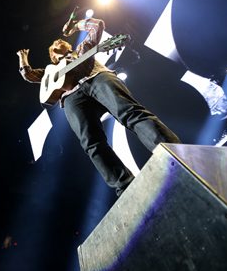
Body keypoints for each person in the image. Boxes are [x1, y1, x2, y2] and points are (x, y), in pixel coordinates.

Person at [16, 15, 181, 196]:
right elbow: (29, 75)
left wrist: (75, 26)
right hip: (71, 98)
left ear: (68, 47)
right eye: (54, 48)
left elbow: (97, 26)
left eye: (61, 43)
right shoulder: (50, 72)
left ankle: (172, 152)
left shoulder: (82, 49)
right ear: (53, 57)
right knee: (91, 143)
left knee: (130, 113)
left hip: (97, 78)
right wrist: (23, 58)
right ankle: (124, 185)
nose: (58, 45)